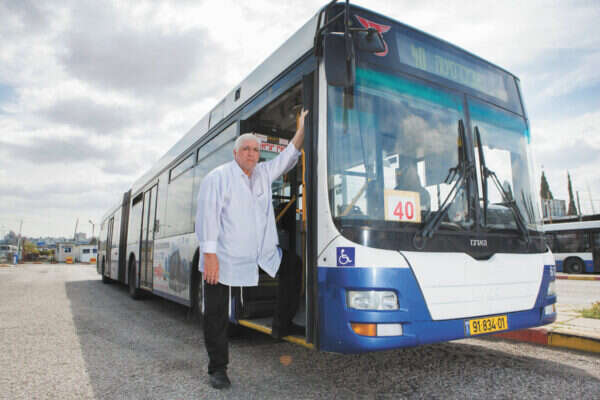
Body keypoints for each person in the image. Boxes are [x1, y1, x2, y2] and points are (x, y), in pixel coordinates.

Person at [195, 109, 308, 390]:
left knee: (293, 265)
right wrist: (210, 256)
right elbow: (207, 217)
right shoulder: (218, 177)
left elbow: (287, 157)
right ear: (235, 153)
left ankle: (281, 325)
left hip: (260, 253)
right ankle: (218, 368)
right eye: (245, 149)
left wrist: (302, 129)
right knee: (216, 313)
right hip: (223, 257)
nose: (251, 153)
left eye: (256, 150)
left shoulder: (263, 174)